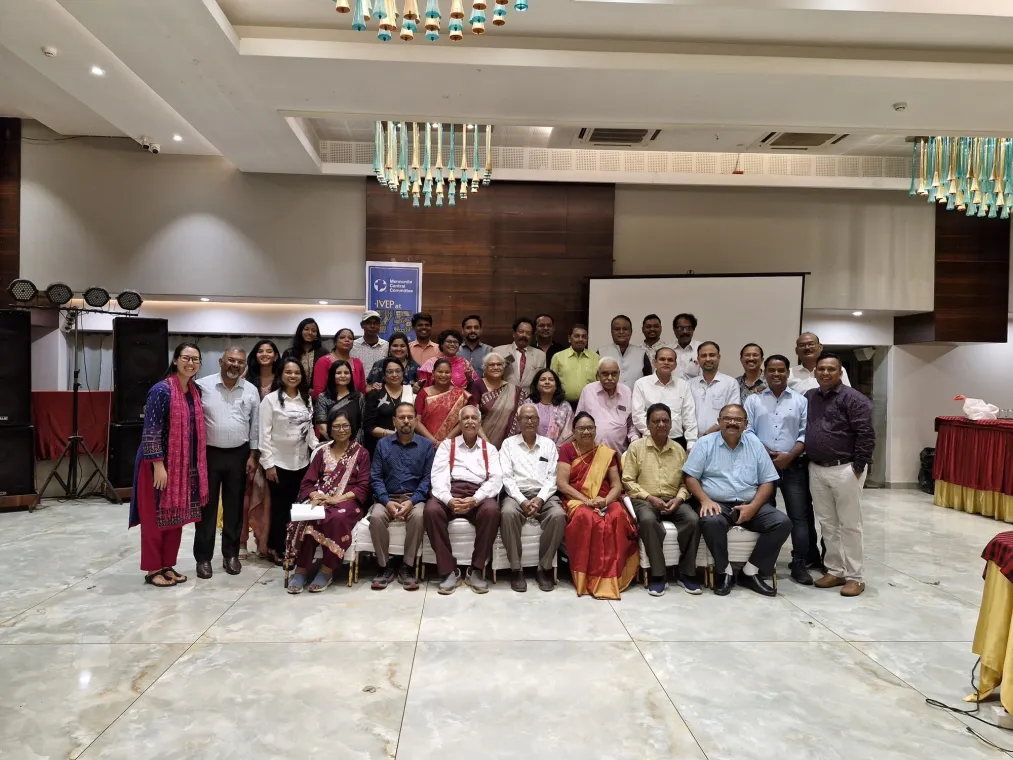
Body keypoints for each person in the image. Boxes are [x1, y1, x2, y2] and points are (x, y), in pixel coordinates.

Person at [682, 404, 790, 597]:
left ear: (746, 424)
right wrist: (705, 500)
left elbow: (767, 481)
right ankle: (725, 571)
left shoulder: (755, 444)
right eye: (727, 419)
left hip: (750, 503)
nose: (732, 423)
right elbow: (690, 477)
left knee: (782, 523)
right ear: (719, 422)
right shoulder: (705, 443)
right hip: (717, 503)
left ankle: (751, 571)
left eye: (738, 420)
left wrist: (754, 506)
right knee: (711, 521)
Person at [130, 343, 208, 588]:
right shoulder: (161, 390)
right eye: (186, 358)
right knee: (155, 519)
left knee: (175, 518)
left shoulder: (194, 391)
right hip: (157, 466)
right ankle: (154, 569)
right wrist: (158, 465)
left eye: (195, 359)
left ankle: (167, 565)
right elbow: (151, 431)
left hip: (183, 466)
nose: (191, 363)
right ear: (175, 361)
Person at [805, 352, 875, 598]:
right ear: (815, 372)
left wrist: (858, 467)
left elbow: (866, 434)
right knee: (827, 523)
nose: (825, 373)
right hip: (817, 468)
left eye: (830, 369)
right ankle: (835, 570)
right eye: (821, 369)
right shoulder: (811, 396)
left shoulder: (854, 398)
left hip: (845, 468)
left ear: (840, 371)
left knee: (850, 524)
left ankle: (856, 576)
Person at [744, 354, 816, 586]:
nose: (776, 374)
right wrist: (766, 453)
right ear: (765, 373)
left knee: (799, 516)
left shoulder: (800, 400)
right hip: (762, 467)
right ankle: (766, 561)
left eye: (781, 370)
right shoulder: (754, 401)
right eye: (772, 370)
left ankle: (799, 563)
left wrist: (790, 455)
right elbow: (747, 430)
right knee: (767, 516)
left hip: (793, 465)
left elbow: (806, 432)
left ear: (788, 373)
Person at [286, 411, 371, 593]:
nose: (341, 430)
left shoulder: (361, 454)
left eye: (345, 426)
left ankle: (327, 570)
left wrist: (335, 498)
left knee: (336, 519)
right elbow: (307, 483)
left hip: (347, 502)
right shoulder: (322, 453)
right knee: (305, 519)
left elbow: (363, 487)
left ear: (352, 428)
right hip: (320, 499)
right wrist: (316, 496)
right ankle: (301, 570)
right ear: (330, 430)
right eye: (337, 426)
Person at [557, 412, 639, 599]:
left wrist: (606, 501)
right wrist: (585, 500)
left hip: (604, 499)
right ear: (573, 431)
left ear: (595, 430)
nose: (586, 431)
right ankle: (587, 579)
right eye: (581, 428)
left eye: (590, 428)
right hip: (577, 499)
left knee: (616, 515)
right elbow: (562, 484)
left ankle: (613, 577)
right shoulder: (567, 450)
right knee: (586, 517)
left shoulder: (605, 452)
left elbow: (616, 485)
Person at [194, 346, 260, 579]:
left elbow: (255, 426)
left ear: (245, 366)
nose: (235, 365)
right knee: (206, 508)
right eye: (231, 360)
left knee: (234, 508)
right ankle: (203, 558)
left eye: (240, 362)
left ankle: (230, 554)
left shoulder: (251, 390)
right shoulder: (202, 386)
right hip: (209, 454)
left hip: (239, 455)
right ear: (221, 361)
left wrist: (253, 455)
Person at [623, 403, 702, 597]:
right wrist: (649, 497)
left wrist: (680, 498)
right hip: (645, 499)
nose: (661, 424)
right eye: (656, 421)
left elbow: (686, 482)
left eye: (665, 421)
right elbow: (628, 480)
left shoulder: (678, 450)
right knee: (649, 522)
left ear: (671, 424)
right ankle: (658, 575)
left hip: (674, 499)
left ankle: (686, 573)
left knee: (693, 520)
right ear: (648, 425)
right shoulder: (636, 448)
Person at [424, 406, 503, 595]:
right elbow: (438, 477)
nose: (469, 421)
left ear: (479, 422)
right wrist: (449, 500)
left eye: (473, 418)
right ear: (459, 423)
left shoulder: (489, 449)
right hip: (451, 491)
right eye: (465, 418)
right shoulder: (447, 446)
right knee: (431, 510)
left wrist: (475, 499)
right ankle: (449, 571)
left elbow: (495, 479)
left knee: (492, 511)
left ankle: (475, 570)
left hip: (478, 494)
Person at [499, 404, 565, 593]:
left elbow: (553, 477)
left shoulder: (548, 445)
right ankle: (516, 569)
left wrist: (540, 499)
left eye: (533, 418)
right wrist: (522, 501)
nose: (529, 421)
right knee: (508, 513)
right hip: (516, 494)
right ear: (518, 422)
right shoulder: (508, 444)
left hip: (544, 494)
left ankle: (543, 568)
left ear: (538, 421)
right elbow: (507, 477)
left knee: (558, 515)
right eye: (525, 418)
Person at [368, 402, 432, 591]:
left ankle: (407, 567)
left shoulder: (426, 446)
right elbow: (376, 477)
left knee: (420, 516)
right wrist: (387, 502)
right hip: (387, 497)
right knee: (376, 517)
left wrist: (411, 502)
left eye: (410, 417)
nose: (406, 421)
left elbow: (428, 479)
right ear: (394, 421)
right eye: (401, 417)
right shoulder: (382, 444)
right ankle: (384, 566)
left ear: (416, 420)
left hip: (415, 498)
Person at [260, 358, 317, 560]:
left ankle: (295, 546)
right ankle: (276, 548)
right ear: (281, 375)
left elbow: (309, 430)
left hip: (302, 462)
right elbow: (264, 435)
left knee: (299, 507)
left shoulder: (306, 399)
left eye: (297, 373)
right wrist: (268, 465)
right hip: (279, 464)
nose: (293, 376)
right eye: (288, 372)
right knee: (280, 509)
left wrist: (319, 451)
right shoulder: (270, 400)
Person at [241, 339, 280, 560]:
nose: (265, 354)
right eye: (260, 351)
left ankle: (263, 542)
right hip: (247, 444)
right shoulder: (247, 380)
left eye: (269, 351)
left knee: (266, 497)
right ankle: (241, 542)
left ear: (276, 355)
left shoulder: (282, 380)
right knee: (245, 495)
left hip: (272, 445)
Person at [632, 347, 697, 450]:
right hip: (650, 440)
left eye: (670, 360)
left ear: (675, 365)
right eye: (662, 359)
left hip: (677, 441)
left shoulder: (683, 385)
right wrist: (655, 433)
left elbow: (689, 415)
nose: (666, 362)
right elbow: (638, 415)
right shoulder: (641, 384)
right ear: (655, 362)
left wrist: (691, 442)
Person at [575, 358, 638, 454]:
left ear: (619, 374)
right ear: (598, 374)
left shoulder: (626, 391)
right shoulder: (588, 390)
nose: (609, 378)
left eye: (614, 374)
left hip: (618, 453)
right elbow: (578, 422)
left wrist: (635, 441)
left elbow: (631, 424)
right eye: (605, 374)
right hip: (590, 453)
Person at [363, 358, 416, 456]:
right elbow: (368, 426)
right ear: (383, 375)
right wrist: (393, 435)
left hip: (408, 446)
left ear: (403, 373)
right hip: (381, 447)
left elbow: (417, 421)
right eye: (390, 372)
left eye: (398, 371)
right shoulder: (375, 394)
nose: (394, 375)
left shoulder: (411, 392)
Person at [414, 358, 473, 444]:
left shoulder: (461, 394)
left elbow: (463, 420)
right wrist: (434, 442)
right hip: (426, 442)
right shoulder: (423, 394)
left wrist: (445, 442)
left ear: (451, 374)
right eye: (440, 372)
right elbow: (416, 421)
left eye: (447, 372)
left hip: (452, 443)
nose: (443, 375)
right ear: (433, 373)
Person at [689, 341, 741, 436]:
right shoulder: (690, 384)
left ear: (719, 357)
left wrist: (706, 435)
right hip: (693, 440)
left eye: (712, 355)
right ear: (698, 359)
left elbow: (731, 415)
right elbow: (687, 414)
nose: (708, 359)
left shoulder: (730, 383)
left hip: (721, 438)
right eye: (704, 356)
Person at [471, 352, 522, 447]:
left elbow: (520, 417)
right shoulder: (477, 385)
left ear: (503, 367)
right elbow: (472, 417)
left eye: (499, 364)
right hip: (481, 442)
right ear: (485, 368)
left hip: (508, 445)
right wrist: (486, 442)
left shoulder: (514, 390)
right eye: (492, 365)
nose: (496, 367)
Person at [313, 360, 364, 441]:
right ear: (332, 375)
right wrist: (338, 444)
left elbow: (362, 425)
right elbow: (322, 427)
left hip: (354, 444)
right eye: (338, 373)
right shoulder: (323, 397)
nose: (343, 376)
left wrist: (351, 446)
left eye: (346, 373)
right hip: (330, 444)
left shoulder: (358, 396)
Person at [551, 323, 600, 407]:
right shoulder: (558, 357)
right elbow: (552, 382)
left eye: (584, 336)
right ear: (569, 338)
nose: (580, 339)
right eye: (577, 336)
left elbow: (600, 383)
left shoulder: (596, 358)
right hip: (563, 404)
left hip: (589, 404)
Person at [312, 328, 366, 399]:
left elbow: (362, 390)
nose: (347, 340)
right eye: (342, 337)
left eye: (350, 338)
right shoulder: (323, 361)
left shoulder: (357, 363)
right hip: (329, 407)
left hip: (354, 405)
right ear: (335, 342)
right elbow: (318, 392)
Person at [493, 317, 546, 389]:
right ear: (514, 334)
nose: (524, 335)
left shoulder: (540, 355)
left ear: (532, 336)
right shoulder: (498, 351)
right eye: (521, 331)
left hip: (530, 397)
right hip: (504, 395)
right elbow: (488, 376)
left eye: (528, 333)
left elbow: (542, 380)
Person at [597, 314, 646, 390]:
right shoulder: (601, 352)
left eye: (625, 329)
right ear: (611, 332)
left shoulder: (641, 354)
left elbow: (647, 381)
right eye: (617, 329)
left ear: (631, 331)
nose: (621, 332)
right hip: (605, 399)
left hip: (634, 399)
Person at [529, 368, 574, 445]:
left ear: (556, 385)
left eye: (551, 380)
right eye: (543, 379)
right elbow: (522, 430)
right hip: (531, 450)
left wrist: (555, 450)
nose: (547, 382)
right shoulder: (528, 405)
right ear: (536, 385)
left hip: (558, 451)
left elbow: (570, 433)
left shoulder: (565, 407)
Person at [460, 314, 493, 378]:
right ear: (462, 331)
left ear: (481, 330)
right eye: (468, 328)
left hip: (483, 387)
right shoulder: (456, 351)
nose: (473, 330)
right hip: (460, 387)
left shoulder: (489, 350)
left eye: (476, 328)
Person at [672, 313, 701, 380]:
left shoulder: (702, 349)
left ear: (693, 330)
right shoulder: (667, 350)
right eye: (680, 328)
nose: (685, 332)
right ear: (674, 330)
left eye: (689, 328)